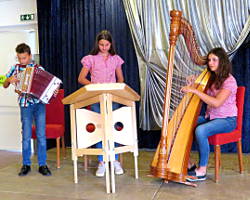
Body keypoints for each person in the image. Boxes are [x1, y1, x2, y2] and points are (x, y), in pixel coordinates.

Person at [181, 47, 237, 182]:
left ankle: (202, 170)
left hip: (227, 120)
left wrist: (195, 91)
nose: (210, 63)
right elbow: (202, 95)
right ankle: (188, 163)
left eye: (214, 60)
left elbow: (217, 103)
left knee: (200, 130)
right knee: (184, 124)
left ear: (222, 62)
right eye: (209, 60)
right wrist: (192, 84)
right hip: (210, 117)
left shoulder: (229, 81)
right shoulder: (211, 78)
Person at [78, 30, 124, 177]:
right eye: (101, 45)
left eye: (107, 45)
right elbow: (81, 78)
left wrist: (114, 88)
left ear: (111, 44)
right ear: (97, 45)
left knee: (113, 128)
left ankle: (114, 160)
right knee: (100, 129)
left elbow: (120, 79)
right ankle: (102, 162)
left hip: (112, 98)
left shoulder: (116, 59)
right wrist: (94, 86)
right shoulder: (90, 59)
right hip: (96, 98)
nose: (104, 47)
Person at [3, 43, 52, 176]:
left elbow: (46, 84)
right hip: (25, 104)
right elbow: (4, 84)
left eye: (24, 58)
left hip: (39, 104)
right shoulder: (15, 68)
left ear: (30, 56)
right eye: (19, 58)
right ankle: (26, 164)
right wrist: (9, 79)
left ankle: (43, 165)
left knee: (41, 135)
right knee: (26, 135)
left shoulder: (38, 68)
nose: (21, 61)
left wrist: (53, 89)